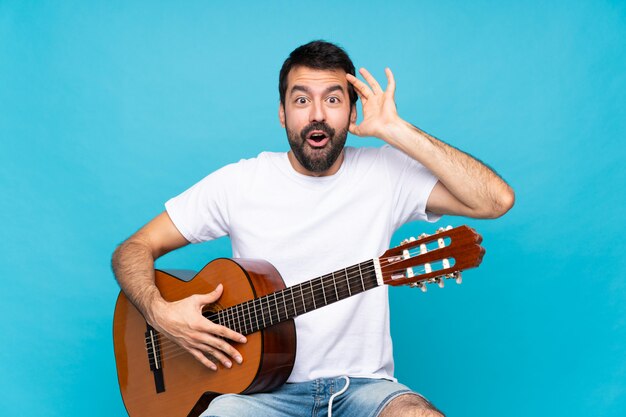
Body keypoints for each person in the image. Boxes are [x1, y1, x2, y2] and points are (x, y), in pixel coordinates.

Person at [112, 40, 514, 417]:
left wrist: (397, 131)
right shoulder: (238, 183)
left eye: (333, 100)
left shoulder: (386, 173)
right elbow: (133, 248)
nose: (317, 114)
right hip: (258, 398)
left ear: (352, 113)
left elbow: (495, 200)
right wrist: (159, 312)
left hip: (363, 388)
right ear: (282, 112)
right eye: (301, 99)